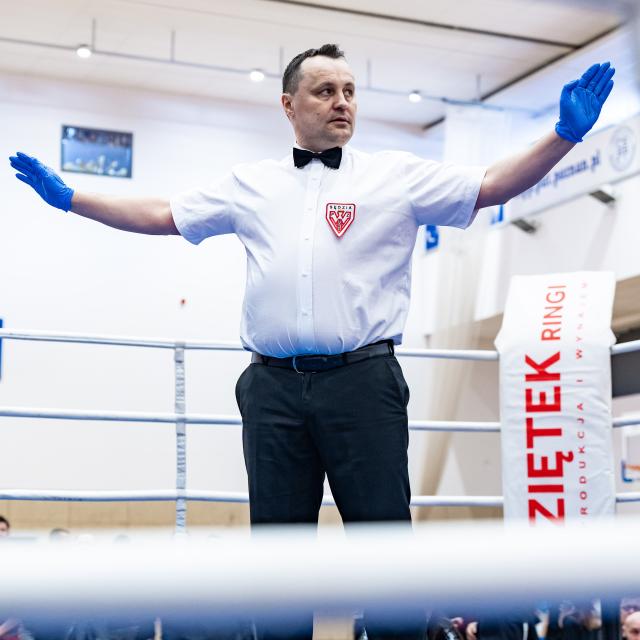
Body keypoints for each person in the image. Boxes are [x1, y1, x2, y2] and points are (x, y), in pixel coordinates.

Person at [9, 44, 615, 640]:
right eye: (325, 91)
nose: (341, 102)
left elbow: (491, 185)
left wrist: (563, 135)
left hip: (364, 382)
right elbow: (164, 213)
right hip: (271, 387)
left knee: (384, 548)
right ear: (289, 104)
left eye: (349, 91)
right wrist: (73, 200)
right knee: (278, 554)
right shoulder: (251, 184)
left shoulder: (395, 175)